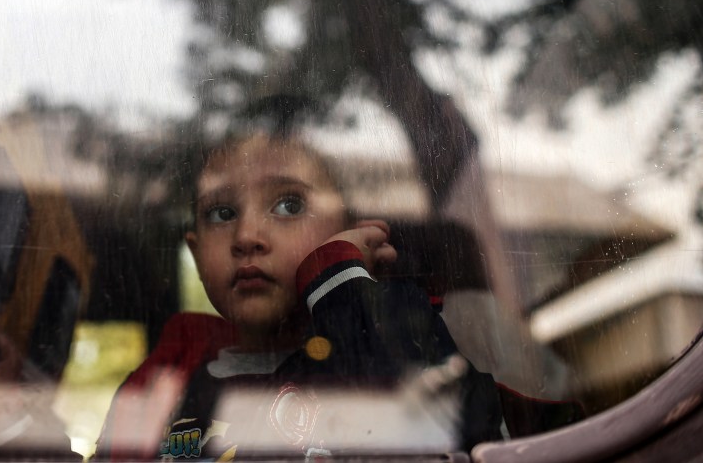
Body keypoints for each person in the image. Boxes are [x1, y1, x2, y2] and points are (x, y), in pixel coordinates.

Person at [96, 116, 504, 460]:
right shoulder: (170, 378)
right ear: (197, 252)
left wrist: (338, 281)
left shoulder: (397, 334)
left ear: (352, 233)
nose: (246, 235)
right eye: (221, 213)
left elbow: (442, 432)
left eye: (289, 205)